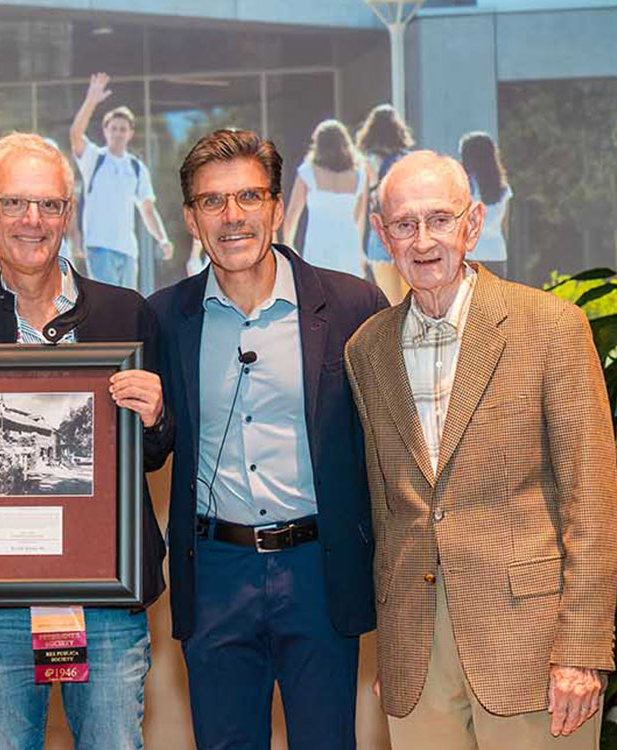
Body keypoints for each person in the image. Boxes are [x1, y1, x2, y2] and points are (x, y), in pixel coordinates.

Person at [0, 132, 170, 750]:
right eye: (17, 203)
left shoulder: (126, 315)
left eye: (49, 205)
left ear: (68, 215)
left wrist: (155, 416)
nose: (33, 220)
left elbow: (154, 453)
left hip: (106, 597)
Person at [343, 151, 617, 748]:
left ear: (472, 224)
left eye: (439, 219)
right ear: (381, 233)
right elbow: (387, 511)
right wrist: (390, 646)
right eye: (404, 224)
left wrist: (582, 650)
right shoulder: (366, 349)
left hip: (533, 642)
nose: (423, 241)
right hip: (415, 649)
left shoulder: (553, 328)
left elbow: (593, 505)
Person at [148, 128, 388, 749]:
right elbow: (153, 450)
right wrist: (150, 420)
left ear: (278, 206)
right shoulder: (164, 318)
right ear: (190, 219)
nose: (233, 217)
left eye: (249, 197)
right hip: (216, 571)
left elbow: (384, 451)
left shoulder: (353, 305)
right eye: (213, 201)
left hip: (319, 568)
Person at [69, 72, 174, 288]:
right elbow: (75, 135)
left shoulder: (136, 168)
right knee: (107, 308)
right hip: (99, 248)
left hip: (127, 252)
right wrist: (91, 101)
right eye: (114, 128)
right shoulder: (94, 158)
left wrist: (162, 238)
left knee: (125, 311)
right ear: (105, 131)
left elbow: (147, 210)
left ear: (130, 133)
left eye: (123, 129)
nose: (118, 133)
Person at [282, 119, 367, 278]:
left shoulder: (308, 172)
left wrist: (289, 247)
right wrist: (360, 252)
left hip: (317, 250)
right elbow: (359, 220)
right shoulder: (360, 176)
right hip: (349, 251)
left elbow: (292, 216)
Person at [355, 104, 415, 303]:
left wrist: (358, 247)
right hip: (407, 236)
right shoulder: (408, 160)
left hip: (379, 237)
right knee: (412, 304)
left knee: (391, 305)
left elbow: (362, 206)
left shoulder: (368, 162)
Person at [459, 132, 513, 278]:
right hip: (497, 254)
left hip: (470, 254)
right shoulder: (503, 189)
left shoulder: (462, 187)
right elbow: (504, 228)